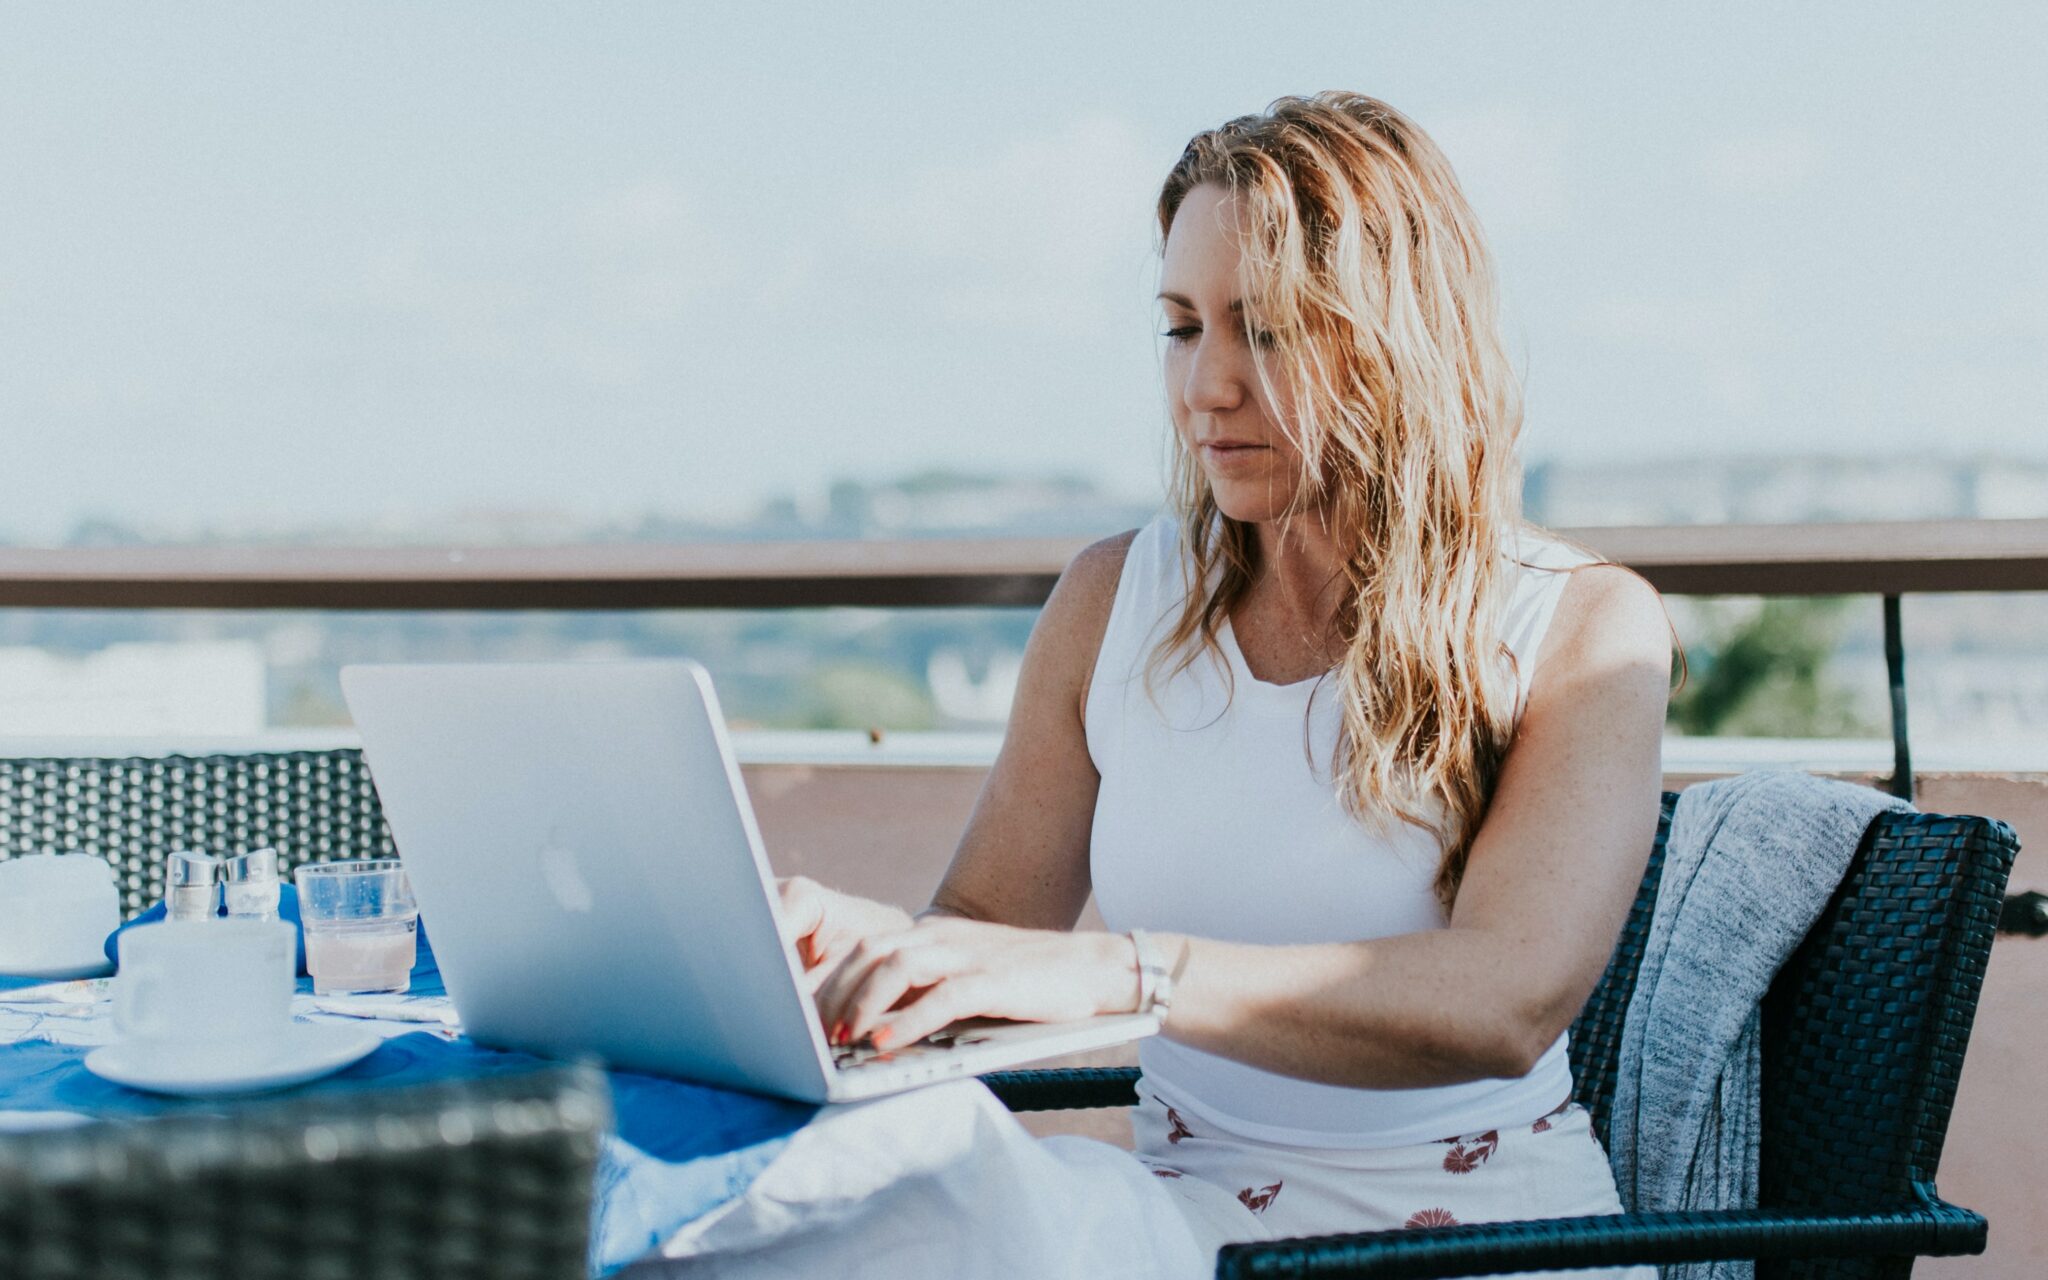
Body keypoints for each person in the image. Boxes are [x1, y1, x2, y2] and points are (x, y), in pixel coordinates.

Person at [676, 91, 1671, 1279]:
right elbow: (992, 928)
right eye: (1181, 326)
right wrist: (875, 952)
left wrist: (1127, 968)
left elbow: (1508, 997)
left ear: (1395, 339)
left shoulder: (1580, 625)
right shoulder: (1114, 601)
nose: (1207, 385)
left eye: (1266, 330)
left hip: (1476, 1247)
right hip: (1176, 1226)